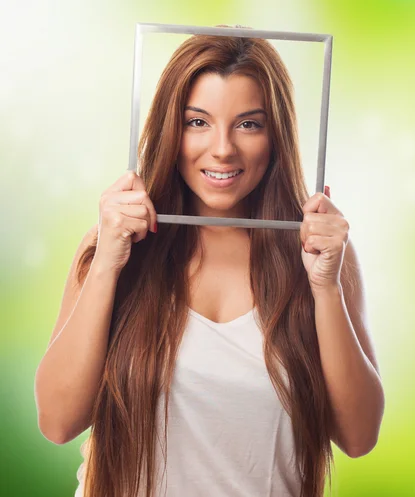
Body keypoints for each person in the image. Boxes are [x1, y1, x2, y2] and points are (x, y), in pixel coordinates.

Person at [34, 29, 384, 497]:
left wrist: (325, 288)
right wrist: (105, 267)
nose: (222, 149)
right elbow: (57, 422)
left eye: (248, 124)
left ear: (275, 135)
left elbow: (358, 437)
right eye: (197, 122)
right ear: (170, 130)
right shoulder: (114, 249)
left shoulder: (321, 256)